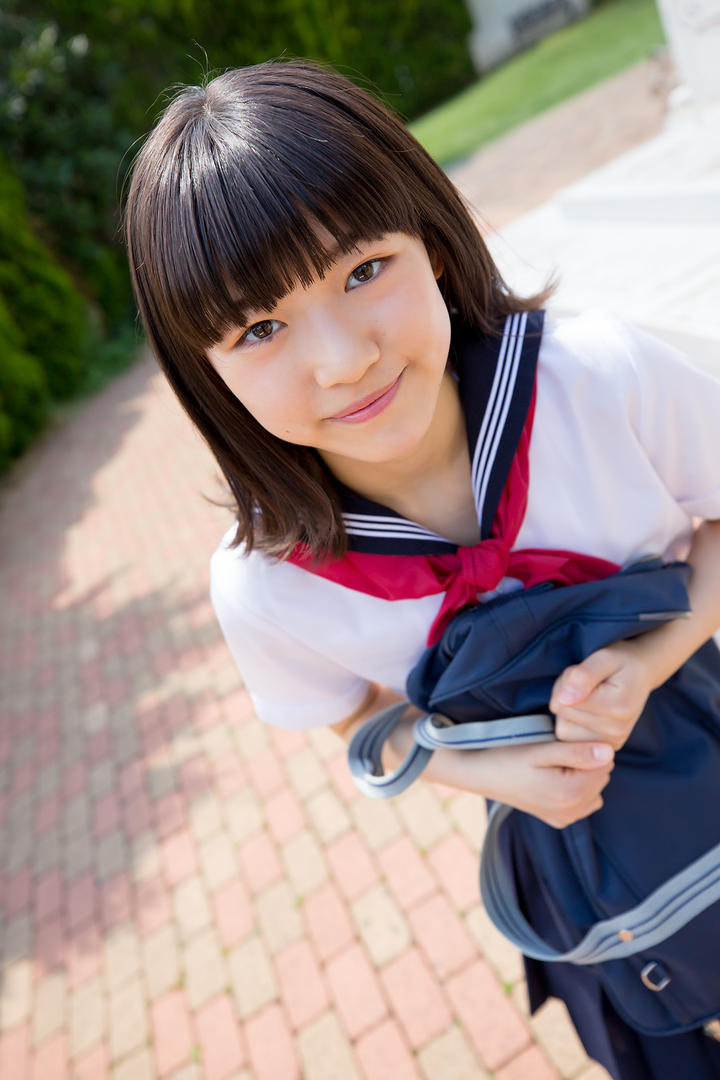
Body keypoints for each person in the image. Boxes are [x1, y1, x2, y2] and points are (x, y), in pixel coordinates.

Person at [124, 58, 720, 1079]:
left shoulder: (596, 379)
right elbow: (352, 714)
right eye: (259, 327)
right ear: (204, 371)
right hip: (574, 865)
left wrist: (658, 655)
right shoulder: (269, 585)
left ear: (435, 245)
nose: (341, 358)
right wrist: (486, 772)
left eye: (363, 270)